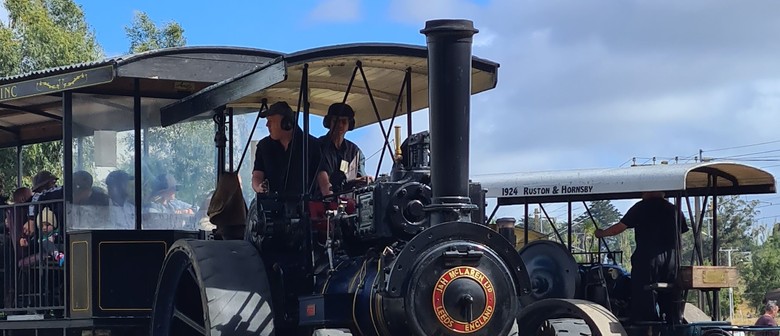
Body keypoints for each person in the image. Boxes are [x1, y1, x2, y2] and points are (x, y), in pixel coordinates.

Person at [594, 191, 689, 324]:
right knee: (670, 295)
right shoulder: (674, 209)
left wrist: (601, 233)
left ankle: (645, 325)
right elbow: (683, 230)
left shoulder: (640, 207)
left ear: (649, 191)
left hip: (647, 260)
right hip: (672, 261)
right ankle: (673, 322)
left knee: (643, 294)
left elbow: (619, 228)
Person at [252, 101, 321, 196]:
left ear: (286, 123)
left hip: (303, 208)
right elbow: (257, 175)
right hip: (270, 207)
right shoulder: (264, 146)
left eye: (270, 121)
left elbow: (322, 178)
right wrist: (259, 187)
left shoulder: (312, 145)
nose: (267, 125)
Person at [316, 102, 372, 196]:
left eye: (344, 121)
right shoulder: (317, 147)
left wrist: (365, 180)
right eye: (336, 121)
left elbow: (361, 180)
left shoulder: (355, 152)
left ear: (349, 124)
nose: (340, 125)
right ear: (329, 122)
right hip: (320, 203)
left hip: (349, 206)